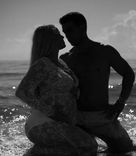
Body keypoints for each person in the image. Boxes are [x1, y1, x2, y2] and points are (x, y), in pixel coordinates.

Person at [59, 12, 136, 153]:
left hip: (102, 117)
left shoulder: (104, 52)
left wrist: (120, 102)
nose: (68, 36)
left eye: (70, 30)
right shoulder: (66, 58)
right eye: (65, 32)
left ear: (82, 27)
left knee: (127, 149)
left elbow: (128, 74)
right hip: (76, 119)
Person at [15, 25, 98, 155]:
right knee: (89, 145)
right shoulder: (42, 64)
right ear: (49, 40)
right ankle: (35, 153)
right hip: (42, 122)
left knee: (86, 146)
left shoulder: (60, 63)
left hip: (61, 122)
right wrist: (52, 112)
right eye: (58, 34)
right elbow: (22, 92)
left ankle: (38, 152)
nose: (62, 36)